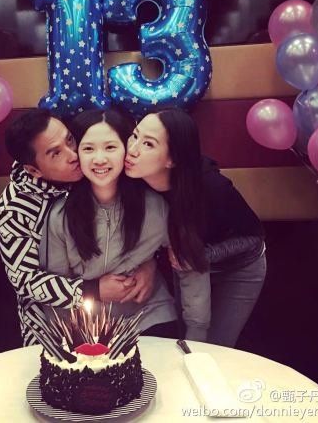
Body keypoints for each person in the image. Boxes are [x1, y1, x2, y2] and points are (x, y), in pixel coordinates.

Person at [39, 108, 210, 338]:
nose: (100, 159)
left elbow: (189, 265)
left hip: (148, 316)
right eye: (88, 149)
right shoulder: (60, 216)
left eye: (110, 147)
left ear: (125, 150)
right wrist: (71, 338)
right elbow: (54, 288)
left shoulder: (156, 207)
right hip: (87, 327)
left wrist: (196, 331)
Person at [0, 108, 156, 346]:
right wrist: (92, 291)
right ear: (33, 170)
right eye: (55, 153)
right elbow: (25, 280)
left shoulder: (93, 169)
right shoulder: (16, 208)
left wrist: (149, 264)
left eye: (70, 140)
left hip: (122, 315)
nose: (73, 154)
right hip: (49, 327)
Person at [125, 107, 266, 347]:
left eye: (148, 144)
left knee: (215, 348)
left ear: (172, 159)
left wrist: (203, 255)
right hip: (188, 268)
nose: (133, 149)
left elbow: (254, 238)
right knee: (186, 343)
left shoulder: (212, 188)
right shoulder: (134, 183)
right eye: (135, 135)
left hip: (238, 269)